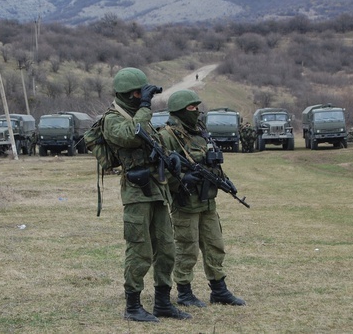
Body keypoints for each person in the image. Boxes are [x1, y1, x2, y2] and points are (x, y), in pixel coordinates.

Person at [102, 67, 191, 322]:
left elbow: (153, 142)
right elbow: (133, 135)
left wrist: (172, 158)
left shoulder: (141, 116)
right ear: (126, 94)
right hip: (136, 193)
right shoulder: (113, 119)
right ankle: (133, 306)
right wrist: (144, 105)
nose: (143, 97)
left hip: (158, 190)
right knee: (139, 250)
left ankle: (163, 302)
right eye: (138, 93)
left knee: (166, 248)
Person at [159, 89, 246, 308]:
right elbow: (160, 170)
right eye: (191, 108)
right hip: (185, 202)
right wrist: (182, 178)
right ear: (179, 110)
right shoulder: (168, 136)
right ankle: (184, 292)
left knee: (215, 245)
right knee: (186, 248)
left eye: (197, 107)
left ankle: (219, 290)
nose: (196, 111)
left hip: (207, 200)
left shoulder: (201, 132)